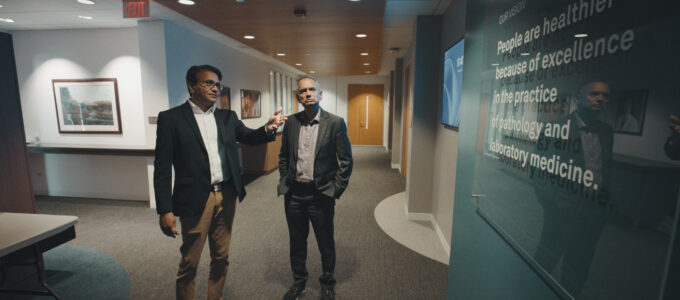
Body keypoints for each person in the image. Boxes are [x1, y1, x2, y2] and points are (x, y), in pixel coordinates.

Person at [154, 64, 287, 300]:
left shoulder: (227, 117)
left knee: (221, 256)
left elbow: (248, 137)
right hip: (195, 197)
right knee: (190, 260)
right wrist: (165, 209)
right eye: (209, 83)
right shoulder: (171, 119)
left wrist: (268, 128)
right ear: (191, 86)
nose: (215, 88)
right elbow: (163, 168)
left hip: (226, 194)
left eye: (218, 84)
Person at [532, 81, 614, 297]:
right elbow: (537, 166)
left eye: (605, 96)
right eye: (594, 94)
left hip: (594, 211)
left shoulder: (607, 131)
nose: (601, 99)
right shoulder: (556, 127)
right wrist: (550, 203)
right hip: (562, 209)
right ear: (578, 99)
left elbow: (604, 168)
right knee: (546, 258)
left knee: (579, 264)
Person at [277, 75, 353, 300]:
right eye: (303, 91)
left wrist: (335, 189)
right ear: (298, 96)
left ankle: (328, 282)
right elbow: (283, 156)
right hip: (294, 195)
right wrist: (285, 180)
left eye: (312, 90)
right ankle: (299, 282)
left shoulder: (335, 122)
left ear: (320, 94)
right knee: (297, 241)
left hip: (321, 194)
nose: (308, 94)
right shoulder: (291, 122)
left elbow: (346, 160)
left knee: (325, 242)